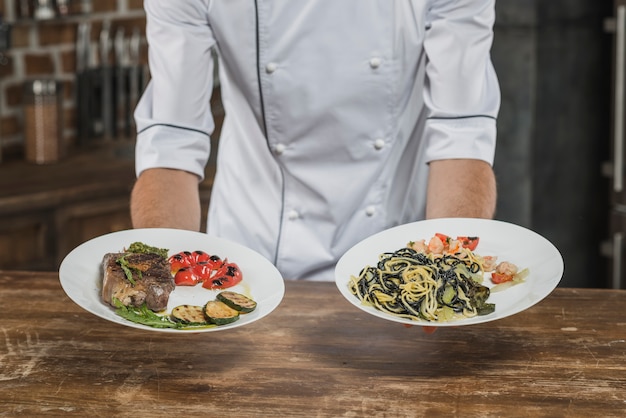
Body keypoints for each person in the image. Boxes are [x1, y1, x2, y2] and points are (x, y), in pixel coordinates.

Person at [131, 0, 499, 282]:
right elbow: (172, 141)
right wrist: (162, 279)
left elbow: (461, 134)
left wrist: (442, 278)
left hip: (402, 254)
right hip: (248, 262)